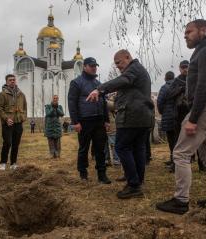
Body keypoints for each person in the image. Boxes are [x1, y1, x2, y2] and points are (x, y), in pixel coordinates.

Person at [156, 19, 206, 214]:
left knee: (180, 154)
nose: (185, 35)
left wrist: (193, 119)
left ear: (203, 31)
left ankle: (181, 201)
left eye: (189, 31)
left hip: (204, 111)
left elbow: (203, 87)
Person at [87, 50, 154, 198]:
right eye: (115, 64)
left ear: (127, 57)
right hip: (142, 116)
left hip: (133, 117)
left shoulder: (133, 69)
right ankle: (137, 181)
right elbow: (128, 92)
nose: (117, 66)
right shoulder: (137, 71)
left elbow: (123, 81)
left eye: (119, 62)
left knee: (121, 147)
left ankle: (134, 185)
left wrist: (100, 89)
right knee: (137, 149)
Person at [68, 57, 111, 184]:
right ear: (85, 67)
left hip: (99, 120)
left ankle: (102, 174)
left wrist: (106, 120)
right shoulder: (76, 82)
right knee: (83, 148)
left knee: (100, 148)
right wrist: (75, 122)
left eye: (95, 66)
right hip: (84, 121)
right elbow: (72, 103)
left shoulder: (99, 84)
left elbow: (103, 103)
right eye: (91, 65)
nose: (94, 68)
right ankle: (83, 173)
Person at [0, 74, 27, 170]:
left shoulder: (21, 94)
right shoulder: (2, 94)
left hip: (18, 122)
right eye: (10, 80)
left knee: (16, 144)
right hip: (8, 123)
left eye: (14, 80)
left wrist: (23, 117)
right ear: (6, 82)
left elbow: (25, 107)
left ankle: (13, 163)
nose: (12, 81)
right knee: (7, 143)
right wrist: (6, 119)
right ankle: (3, 163)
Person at [157, 71, 176, 170]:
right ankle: (173, 160)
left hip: (168, 117)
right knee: (177, 141)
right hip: (179, 117)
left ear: (165, 78)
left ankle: (174, 162)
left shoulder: (164, 88)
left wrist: (162, 112)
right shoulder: (179, 86)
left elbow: (159, 102)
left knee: (171, 140)